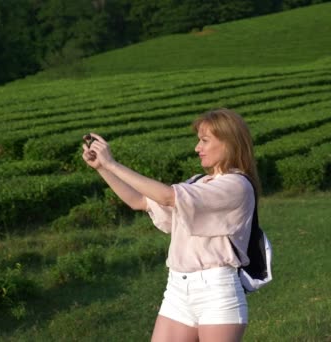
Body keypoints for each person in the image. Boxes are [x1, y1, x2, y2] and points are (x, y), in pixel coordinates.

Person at [81, 108, 261, 342]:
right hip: (177, 289)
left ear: (229, 143)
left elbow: (167, 196)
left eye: (205, 140)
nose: (198, 148)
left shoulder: (237, 185)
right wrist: (103, 168)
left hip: (216, 292)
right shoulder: (198, 182)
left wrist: (113, 164)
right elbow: (139, 201)